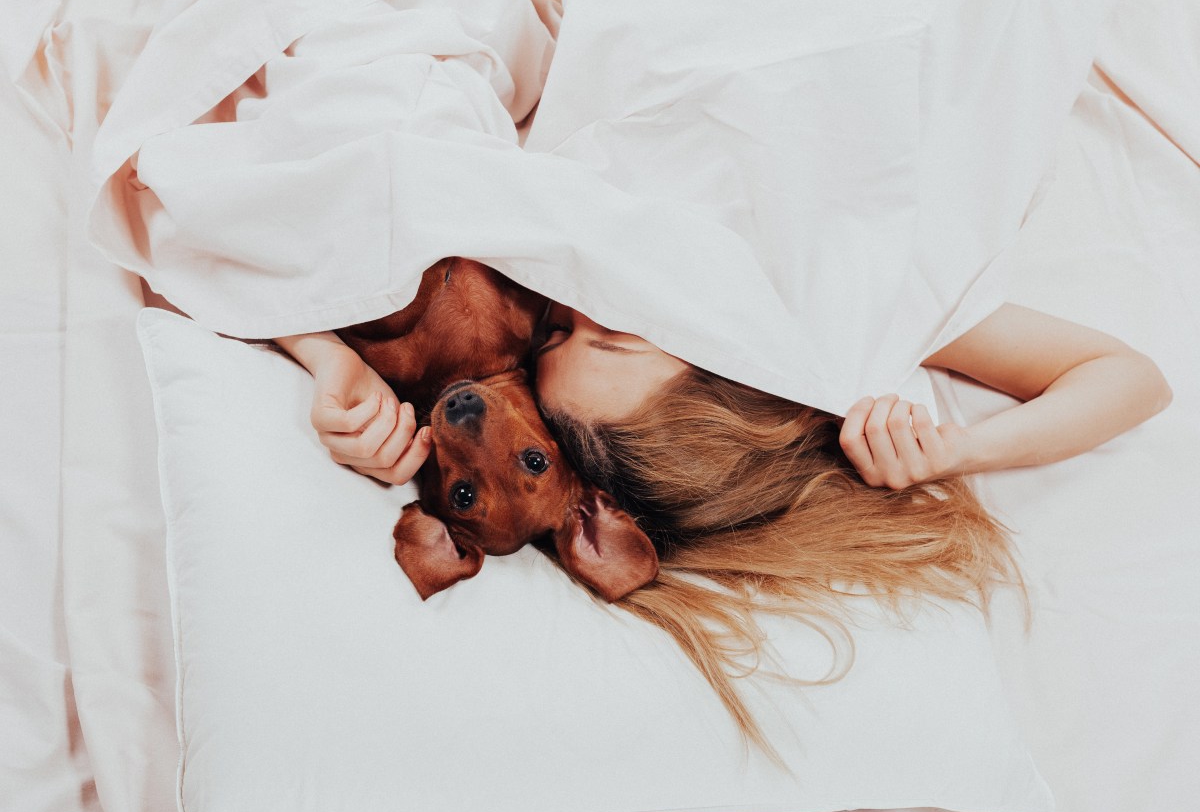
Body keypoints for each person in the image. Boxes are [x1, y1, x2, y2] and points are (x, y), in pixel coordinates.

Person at [278, 301, 1171, 751]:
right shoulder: (830, 301)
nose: (586, 304)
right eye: (582, 334)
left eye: (578, 334)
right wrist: (952, 454)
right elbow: (1125, 375)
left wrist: (324, 357)